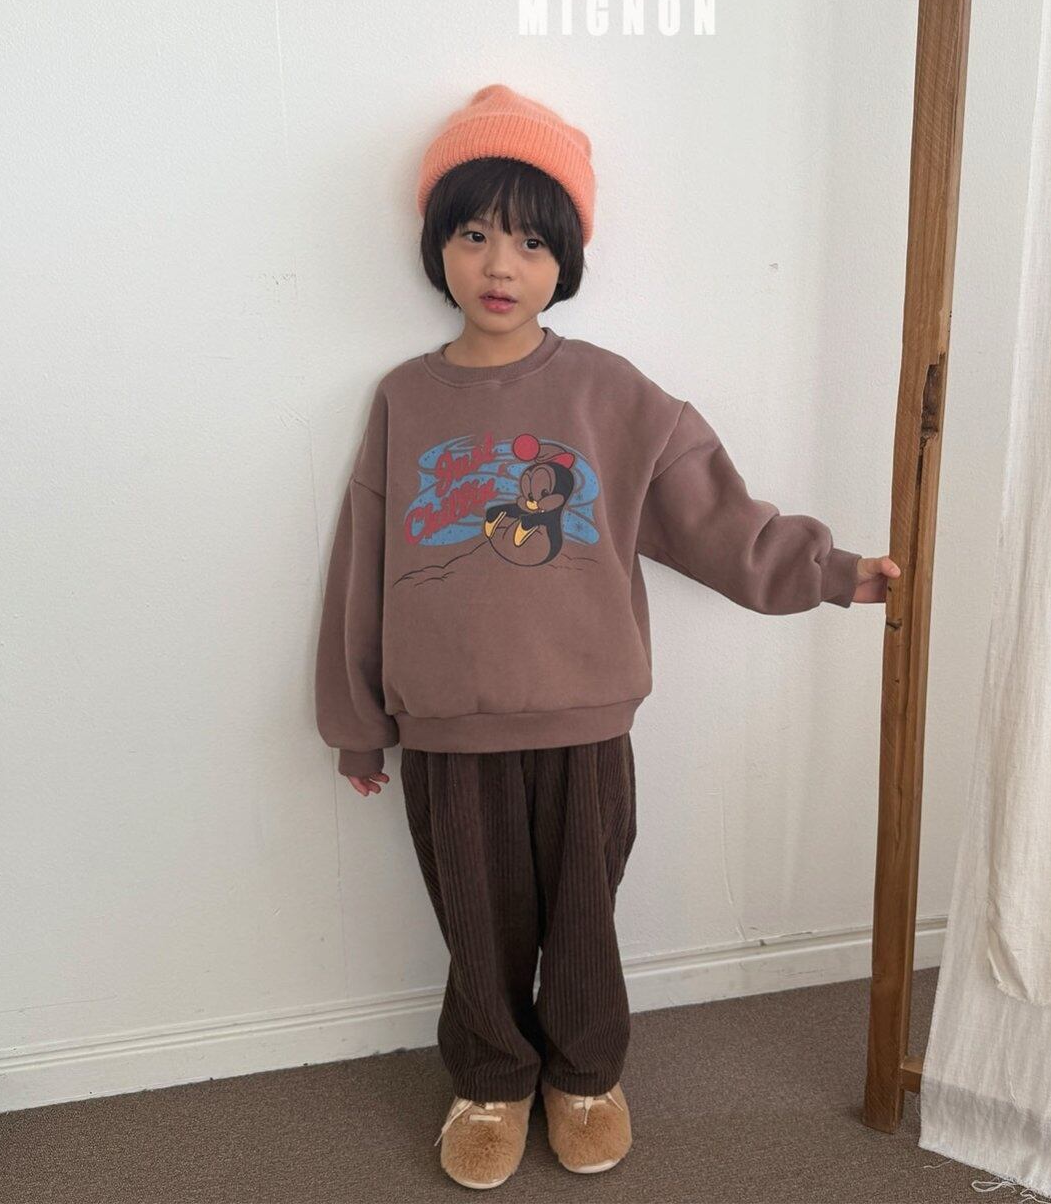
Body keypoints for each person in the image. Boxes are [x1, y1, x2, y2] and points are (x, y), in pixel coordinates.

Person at [314, 83, 901, 1190]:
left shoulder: (609, 394)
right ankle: (492, 1078)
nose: (500, 264)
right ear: (437, 245)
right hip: (446, 729)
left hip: (585, 722)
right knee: (478, 921)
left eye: (532, 242)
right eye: (474, 233)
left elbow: (714, 519)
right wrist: (357, 722)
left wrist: (829, 572)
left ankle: (585, 1075)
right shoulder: (403, 400)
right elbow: (361, 570)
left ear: (566, 259)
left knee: (583, 917)